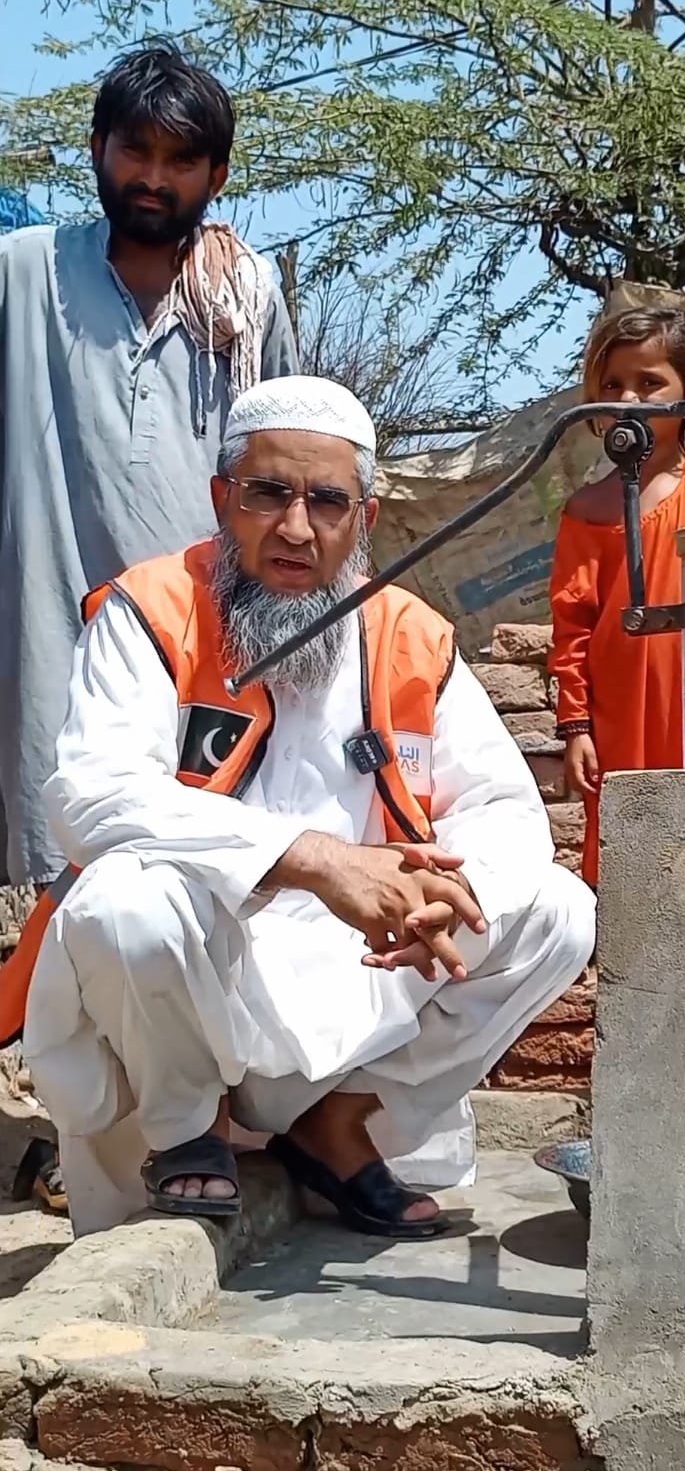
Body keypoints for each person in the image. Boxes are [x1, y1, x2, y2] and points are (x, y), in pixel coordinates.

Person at [4, 375, 595, 1238]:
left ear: (365, 518)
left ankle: (337, 1124)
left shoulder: (408, 633)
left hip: (360, 962)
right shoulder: (152, 609)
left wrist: (444, 894)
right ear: (223, 500)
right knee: (123, 901)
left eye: (326, 502)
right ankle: (188, 1128)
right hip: (191, 964)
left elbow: (505, 811)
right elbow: (93, 795)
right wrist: (316, 860)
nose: (295, 527)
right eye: (268, 493)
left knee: (556, 909)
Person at [0, 43, 298, 1212]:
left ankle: (195, 1119)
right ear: (98, 151)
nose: (155, 178)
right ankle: (86, 1133)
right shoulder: (25, 271)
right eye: (137, 151)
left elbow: (284, 453)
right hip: (51, 614)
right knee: (73, 865)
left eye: (183, 160)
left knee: (189, 869)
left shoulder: (243, 295)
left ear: (216, 174)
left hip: (200, 639)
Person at [548, 307, 685, 886]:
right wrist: (576, 726)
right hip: (617, 710)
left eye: (649, 382)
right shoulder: (587, 509)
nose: (629, 399)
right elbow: (572, 626)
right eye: (613, 384)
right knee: (627, 844)